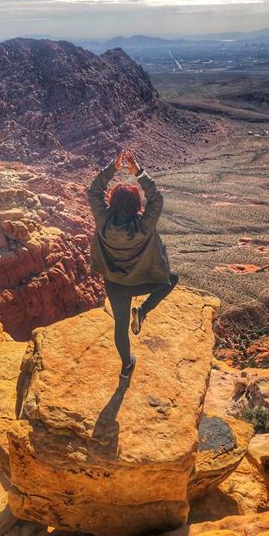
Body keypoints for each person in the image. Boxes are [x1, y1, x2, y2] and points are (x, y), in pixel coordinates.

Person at [87, 148, 178, 382]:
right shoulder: (144, 225)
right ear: (138, 205)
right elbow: (156, 198)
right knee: (172, 279)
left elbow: (94, 191)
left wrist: (113, 168)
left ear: (112, 202)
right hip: (143, 281)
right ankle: (144, 310)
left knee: (120, 325)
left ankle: (126, 366)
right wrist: (138, 172)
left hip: (116, 284)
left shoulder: (103, 221)